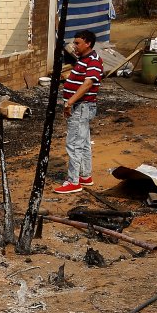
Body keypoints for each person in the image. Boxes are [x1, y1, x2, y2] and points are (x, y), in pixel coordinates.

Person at [56, 30, 103, 194]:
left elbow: (88, 84)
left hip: (81, 107)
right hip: (81, 107)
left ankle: (73, 181)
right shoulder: (84, 60)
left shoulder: (94, 61)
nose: (74, 46)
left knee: (74, 143)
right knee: (83, 142)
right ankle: (85, 176)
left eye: (77, 43)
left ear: (87, 43)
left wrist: (70, 102)